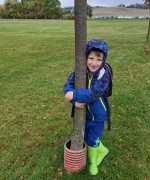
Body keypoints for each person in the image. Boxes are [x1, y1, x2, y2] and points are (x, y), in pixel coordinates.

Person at [64, 39, 112, 175]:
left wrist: (74, 95)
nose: (93, 63)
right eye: (90, 58)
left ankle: (93, 163)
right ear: (85, 57)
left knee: (93, 138)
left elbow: (93, 94)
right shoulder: (80, 70)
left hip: (98, 114)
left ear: (104, 60)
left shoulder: (104, 74)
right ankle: (102, 150)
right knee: (87, 136)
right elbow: (68, 85)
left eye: (98, 59)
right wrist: (73, 100)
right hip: (84, 114)